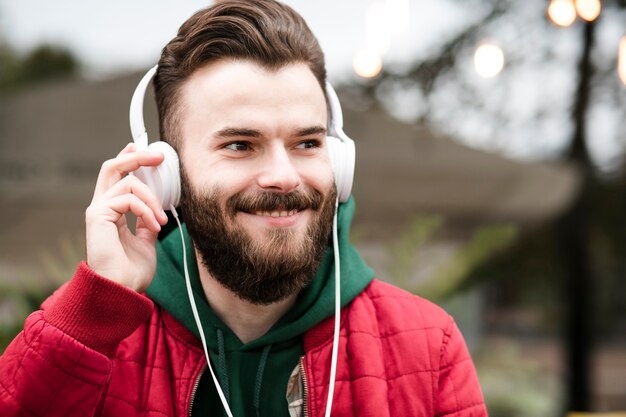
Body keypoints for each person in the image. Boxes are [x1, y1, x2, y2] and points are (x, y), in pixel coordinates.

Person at [0, 1, 487, 416]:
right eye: (239, 144)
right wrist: (94, 310)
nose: (284, 175)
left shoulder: (429, 346)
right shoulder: (97, 340)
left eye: (307, 142)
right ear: (166, 174)